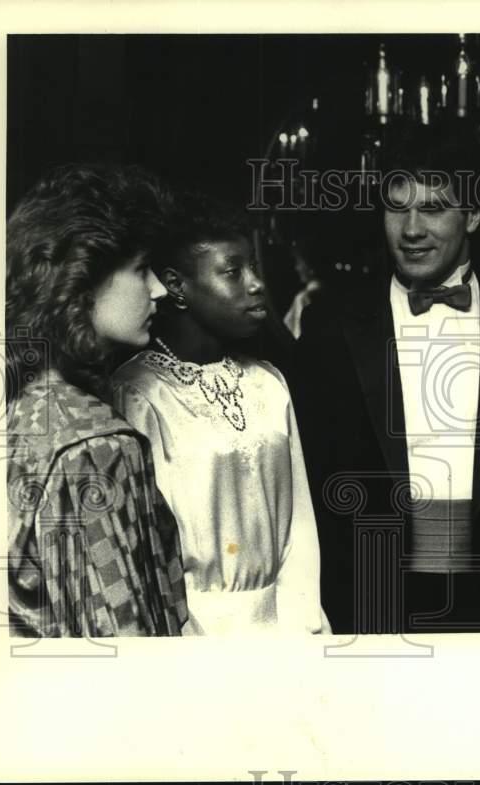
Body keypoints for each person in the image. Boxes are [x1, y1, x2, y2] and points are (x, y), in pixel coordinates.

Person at [294, 122, 480, 634]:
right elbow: (313, 479)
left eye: (433, 208)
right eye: (397, 208)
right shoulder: (332, 323)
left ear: (473, 214)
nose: (411, 230)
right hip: (372, 604)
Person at [111, 193, 328, 636]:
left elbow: (300, 524)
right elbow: (143, 553)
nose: (256, 284)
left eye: (253, 267)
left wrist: (305, 621)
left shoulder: (269, 383)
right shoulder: (136, 394)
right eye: (233, 271)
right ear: (176, 285)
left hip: (284, 628)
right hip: (194, 637)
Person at [6, 164, 188, 637]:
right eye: (141, 268)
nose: (160, 289)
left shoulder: (23, 405)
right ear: (82, 282)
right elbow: (123, 647)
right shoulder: (94, 446)